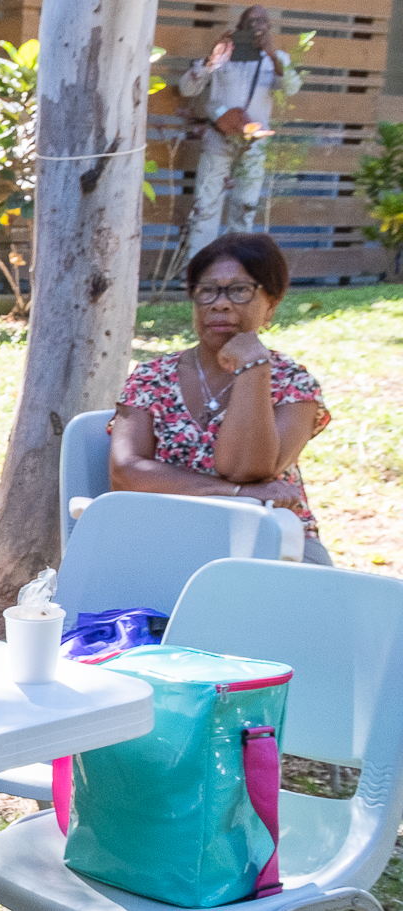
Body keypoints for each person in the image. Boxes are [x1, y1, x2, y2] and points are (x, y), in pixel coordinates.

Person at [110, 231, 331, 564]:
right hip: (168, 535)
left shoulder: (292, 381)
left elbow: (246, 469)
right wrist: (238, 494)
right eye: (207, 290)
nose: (221, 303)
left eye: (240, 290)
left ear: (270, 305)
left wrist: (254, 368)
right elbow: (126, 472)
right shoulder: (151, 377)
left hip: (271, 540)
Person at [179, 5, 290, 256]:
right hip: (218, 140)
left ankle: (238, 268)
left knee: (245, 208)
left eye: (260, 21)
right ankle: (197, 271)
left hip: (253, 145)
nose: (254, 27)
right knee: (205, 208)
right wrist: (211, 59)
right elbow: (187, 88)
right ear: (238, 28)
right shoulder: (222, 57)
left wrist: (271, 55)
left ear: (269, 27)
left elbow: (289, 88)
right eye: (248, 22)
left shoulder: (278, 59)